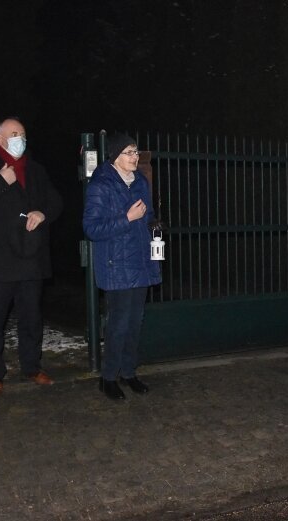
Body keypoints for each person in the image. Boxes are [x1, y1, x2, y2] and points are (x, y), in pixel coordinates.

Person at [0, 117, 63, 398]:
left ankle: (32, 367)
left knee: (31, 317)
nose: (21, 138)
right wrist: (0, 182)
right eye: (14, 133)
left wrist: (43, 213)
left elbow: (56, 202)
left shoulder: (36, 169)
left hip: (31, 257)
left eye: (23, 134)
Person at [82, 133, 162, 401]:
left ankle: (129, 372)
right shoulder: (101, 185)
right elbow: (92, 228)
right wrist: (127, 218)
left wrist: (153, 224)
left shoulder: (139, 181)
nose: (135, 157)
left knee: (135, 322)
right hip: (116, 265)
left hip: (140, 260)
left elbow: (147, 214)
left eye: (136, 152)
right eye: (129, 152)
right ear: (115, 156)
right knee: (118, 324)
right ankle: (108, 378)